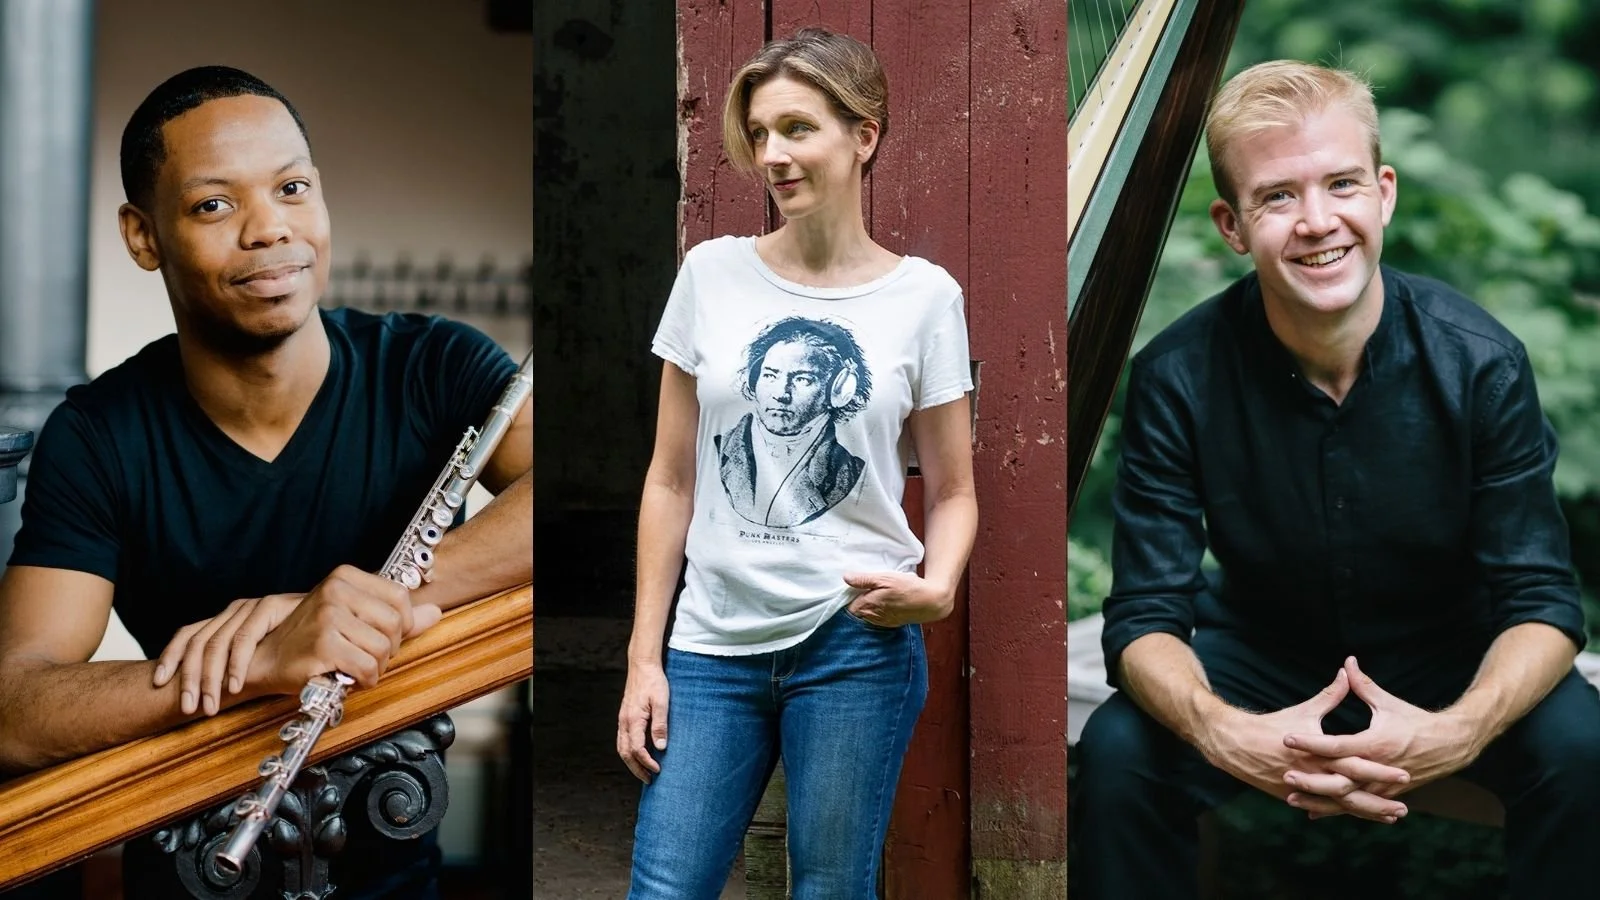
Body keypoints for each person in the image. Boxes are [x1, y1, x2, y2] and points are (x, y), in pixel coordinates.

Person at [1071, 60, 1600, 899]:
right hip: (1264, 647)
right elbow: (1143, 617)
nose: (1319, 222)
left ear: (1383, 193)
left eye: (1342, 184)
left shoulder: (1481, 362)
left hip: (1449, 648)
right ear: (1232, 225)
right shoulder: (1177, 374)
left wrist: (1457, 733)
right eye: (1279, 196)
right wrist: (1227, 732)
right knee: (1119, 757)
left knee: (1580, 750)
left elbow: (1541, 602)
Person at [0, 66, 532, 899]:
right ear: (144, 237)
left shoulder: (436, 367)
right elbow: (14, 706)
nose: (269, 230)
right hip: (187, 870)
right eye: (215, 205)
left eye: (292, 188)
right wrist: (261, 658)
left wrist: (346, 604)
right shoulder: (99, 434)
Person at [615, 27, 977, 900]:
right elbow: (670, 479)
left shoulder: (925, 297)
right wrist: (643, 659)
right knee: (664, 888)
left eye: (798, 129)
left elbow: (956, 489)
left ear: (865, 136)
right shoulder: (710, 274)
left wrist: (940, 584)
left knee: (828, 889)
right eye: (761, 133)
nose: (772, 155)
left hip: (854, 643)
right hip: (709, 646)